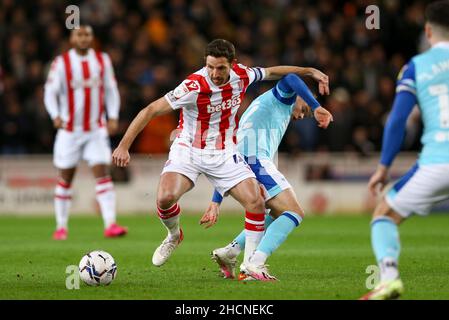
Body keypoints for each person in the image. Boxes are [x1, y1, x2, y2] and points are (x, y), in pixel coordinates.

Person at [112, 39, 329, 268]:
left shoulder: (242, 75)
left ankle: (251, 266)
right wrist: (124, 145)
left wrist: (309, 71)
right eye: (210, 67)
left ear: (232, 65)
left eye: (221, 68)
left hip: (224, 152)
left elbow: (273, 72)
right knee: (165, 198)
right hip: (189, 148)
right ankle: (174, 236)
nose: (215, 73)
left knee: (255, 201)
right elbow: (151, 110)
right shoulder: (193, 86)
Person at [199, 73, 333, 281]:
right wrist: (316, 106)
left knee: (276, 212)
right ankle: (254, 263)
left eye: (305, 115)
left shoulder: (264, 108)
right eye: (304, 110)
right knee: (295, 212)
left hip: (240, 162)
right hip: (255, 162)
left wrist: (216, 200)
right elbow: (290, 77)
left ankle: (230, 252)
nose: (299, 116)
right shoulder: (281, 98)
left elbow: (232, 156)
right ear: (300, 96)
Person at [360, 0, 449, 300]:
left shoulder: (416, 66)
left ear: (427, 31)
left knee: (384, 213)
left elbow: (397, 120)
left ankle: (389, 279)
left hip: (439, 161)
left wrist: (383, 167)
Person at [44, 25, 128, 240]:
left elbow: (111, 89)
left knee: (102, 174)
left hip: (95, 130)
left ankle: (111, 224)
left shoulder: (102, 60)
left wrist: (113, 116)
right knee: (65, 178)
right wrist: (55, 115)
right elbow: (50, 93)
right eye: (79, 35)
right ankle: (61, 227)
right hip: (69, 131)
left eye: (87, 35)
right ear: (72, 38)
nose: (83, 38)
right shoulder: (61, 63)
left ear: (91, 38)